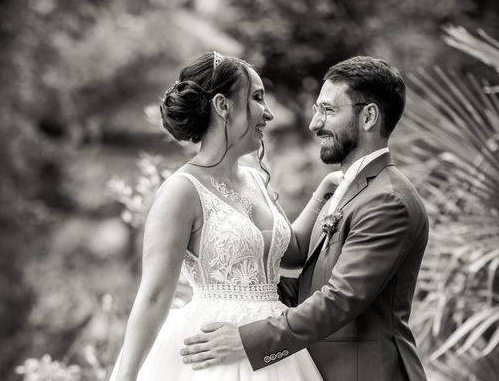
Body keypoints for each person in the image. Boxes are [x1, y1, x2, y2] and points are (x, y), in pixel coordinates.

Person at [181, 56, 430, 381]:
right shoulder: (349, 189)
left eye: (328, 110)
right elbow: (314, 284)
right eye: (316, 110)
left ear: (368, 116)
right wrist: (233, 291)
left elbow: (338, 300)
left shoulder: (388, 200)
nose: (314, 124)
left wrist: (246, 341)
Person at [109, 51, 339, 381]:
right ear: (223, 105)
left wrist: (325, 191)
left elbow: (293, 253)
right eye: (258, 98)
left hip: (273, 350)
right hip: (213, 356)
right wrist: (124, 377)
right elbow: (155, 296)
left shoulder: (257, 180)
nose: (269, 113)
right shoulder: (181, 191)